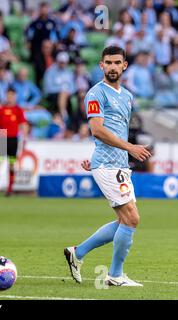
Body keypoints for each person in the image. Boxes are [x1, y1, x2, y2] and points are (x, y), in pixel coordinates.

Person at [64, 46, 152, 287]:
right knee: (132, 218)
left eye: (117, 63)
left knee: (127, 220)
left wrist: (103, 156)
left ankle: (77, 253)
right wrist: (131, 147)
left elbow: (114, 130)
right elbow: (98, 130)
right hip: (108, 165)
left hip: (118, 165)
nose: (112, 67)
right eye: (108, 63)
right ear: (101, 66)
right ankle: (114, 275)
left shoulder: (127, 95)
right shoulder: (96, 94)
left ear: (124, 66)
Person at [0, 87, 29, 196]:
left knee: (11, 164)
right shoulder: (1, 110)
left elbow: (23, 125)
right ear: (6, 96)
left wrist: (24, 138)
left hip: (13, 140)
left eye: (12, 95)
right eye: (8, 95)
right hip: (3, 140)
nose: (10, 97)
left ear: (15, 96)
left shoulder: (18, 110)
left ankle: (10, 189)